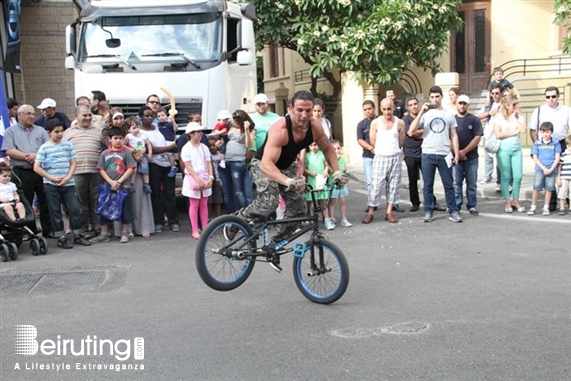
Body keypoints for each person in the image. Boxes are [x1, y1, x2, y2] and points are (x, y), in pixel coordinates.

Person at [232, 90, 343, 272]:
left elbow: (328, 149)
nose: (304, 115)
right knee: (270, 202)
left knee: (299, 211)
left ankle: (273, 245)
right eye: (300, 110)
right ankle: (237, 219)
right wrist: (288, 181)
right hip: (264, 164)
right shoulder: (280, 128)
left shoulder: (315, 127)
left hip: (287, 166)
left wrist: (337, 172)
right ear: (290, 108)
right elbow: (267, 164)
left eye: (308, 110)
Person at [33, 119, 91, 249]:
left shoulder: (68, 145)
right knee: (55, 211)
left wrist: (68, 177)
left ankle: (77, 234)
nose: (60, 134)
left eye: (61, 131)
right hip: (51, 185)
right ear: (49, 133)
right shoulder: (44, 148)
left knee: (74, 208)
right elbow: (37, 167)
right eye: (56, 132)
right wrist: (51, 178)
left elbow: (73, 163)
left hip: (68, 183)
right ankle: (61, 236)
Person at [409, 86, 461, 223]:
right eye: (432, 97)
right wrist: (421, 112)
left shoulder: (449, 114)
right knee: (427, 185)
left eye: (437, 96)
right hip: (428, 153)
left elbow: (454, 135)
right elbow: (411, 130)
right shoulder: (426, 115)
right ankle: (428, 211)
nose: (434, 99)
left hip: (444, 153)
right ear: (429, 98)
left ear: (441, 97)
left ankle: (453, 211)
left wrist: (456, 153)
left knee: (449, 184)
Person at [1, 104, 52, 235]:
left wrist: (36, 155)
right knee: (26, 202)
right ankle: (30, 231)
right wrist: (27, 156)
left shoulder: (40, 130)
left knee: (45, 201)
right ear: (19, 115)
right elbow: (9, 150)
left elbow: (48, 147)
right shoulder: (10, 132)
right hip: (22, 172)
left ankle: (48, 230)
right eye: (28, 114)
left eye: (33, 114)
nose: (32, 116)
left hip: (41, 171)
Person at [63, 105, 107, 238]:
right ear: (76, 116)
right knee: (80, 203)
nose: (88, 118)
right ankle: (82, 230)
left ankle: (98, 229)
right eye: (85, 115)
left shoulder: (99, 132)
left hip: (96, 172)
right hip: (77, 173)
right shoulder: (67, 133)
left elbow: (106, 149)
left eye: (90, 115)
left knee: (97, 201)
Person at [362, 98, 405, 224]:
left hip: (395, 157)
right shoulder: (375, 123)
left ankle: (389, 212)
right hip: (380, 157)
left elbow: (401, 141)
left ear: (393, 108)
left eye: (389, 109)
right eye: (385, 109)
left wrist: (394, 150)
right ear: (381, 109)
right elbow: (372, 141)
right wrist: (381, 150)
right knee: (375, 186)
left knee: (393, 185)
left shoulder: (400, 123)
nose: (387, 112)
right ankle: (370, 212)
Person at [528, 85, 570, 211]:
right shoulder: (539, 110)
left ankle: (567, 200)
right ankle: (551, 203)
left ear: (558, 96)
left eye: (553, 96)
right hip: (544, 145)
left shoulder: (566, 110)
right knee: (548, 172)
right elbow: (532, 129)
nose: (551, 99)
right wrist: (538, 144)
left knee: (564, 173)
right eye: (548, 97)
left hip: (561, 142)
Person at [91, 127, 137, 243]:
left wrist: (119, 181)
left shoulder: (126, 152)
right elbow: (101, 169)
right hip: (108, 186)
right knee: (104, 209)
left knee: (125, 210)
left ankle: (125, 232)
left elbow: (131, 168)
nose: (118, 141)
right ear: (110, 139)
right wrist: (111, 182)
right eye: (115, 138)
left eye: (120, 138)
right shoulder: (105, 153)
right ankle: (104, 233)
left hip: (124, 186)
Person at [139, 106, 180, 233]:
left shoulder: (157, 127)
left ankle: (173, 221)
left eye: (152, 115)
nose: (150, 118)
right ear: (141, 117)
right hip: (154, 165)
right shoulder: (140, 133)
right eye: (147, 115)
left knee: (170, 194)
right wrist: (169, 148)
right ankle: (159, 221)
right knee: (155, 194)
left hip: (167, 164)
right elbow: (150, 149)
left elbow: (170, 134)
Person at [403, 97, 445, 212]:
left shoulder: (426, 116)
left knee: (428, 179)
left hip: (424, 152)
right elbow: (411, 133)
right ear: (408, 107)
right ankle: (415, 203)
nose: (414, 106)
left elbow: (428, 129)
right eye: (411, 105)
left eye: (415, 104)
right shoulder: (406, 120)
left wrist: (420, 131)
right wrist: (426, 131)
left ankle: (433, 202)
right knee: (413, 180)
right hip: (411, 154)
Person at [493, 89, 526, 213]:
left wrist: (514, 117)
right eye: (514, 104)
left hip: (516, 149)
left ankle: (515, 200)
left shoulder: (520, 117)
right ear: (507, 105)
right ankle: (507, 201)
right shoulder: (499, 117)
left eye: (517, 104)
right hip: (503, 149)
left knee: (517, 176)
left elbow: (522, 130)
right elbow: (498, 134)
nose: (516, 106)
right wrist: (513, 132)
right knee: (505, 176)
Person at [180, 123, 214, 240]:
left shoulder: (204, 147)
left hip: (204, 176)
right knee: (194, 204)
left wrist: (211, 177)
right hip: (193, 178)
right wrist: (197, 179)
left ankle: (205, 228)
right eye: (198, 132)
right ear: (191, 134)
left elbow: (209, 162)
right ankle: (194, 229)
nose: (200, 134)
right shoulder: (186, 148)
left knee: (204, 203)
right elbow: (188, 166)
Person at [452, 95, 483, 215]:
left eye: (464, 103)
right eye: (460, 103)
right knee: (456, 184)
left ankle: (472, 205)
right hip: (455, 158)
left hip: (471, 158)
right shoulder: (451, 119)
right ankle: (456, 206)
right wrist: (457, 153)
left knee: (471, 184)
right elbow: (448, 138)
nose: (462, 105)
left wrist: (464, 151)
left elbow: (477, 137)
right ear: (456, 104)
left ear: (468, 105)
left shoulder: (474, 120)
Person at [528, 122, 561, 216]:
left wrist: (551, 169)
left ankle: (546, 207)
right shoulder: (537, 143)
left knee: (549, 188)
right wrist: (543, 168)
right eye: (543, 132)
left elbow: (557, 157)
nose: (545, 134)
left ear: (551, 132)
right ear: (540, 132)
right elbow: (535, 157)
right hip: (540, 169)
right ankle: (533, 206)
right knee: (536, 187)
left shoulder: (555, 143)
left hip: (551, 169)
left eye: (548, 132)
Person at [478, 83, 503, 188]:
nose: (495, 95)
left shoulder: (505, 104)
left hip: (500, 135)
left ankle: (500, 182)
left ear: (501, 93)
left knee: (500, 160)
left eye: (497, 93)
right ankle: (487, 176)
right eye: (493, 93)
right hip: (488, 134)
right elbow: (479, 116)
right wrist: (489, 113)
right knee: (488, 158)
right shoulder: (488, 105)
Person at [304, 141, 331, 227]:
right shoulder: (307, 155)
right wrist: (310, 172)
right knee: (311, 201)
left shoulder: (322, 154)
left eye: (315, 145)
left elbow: (326, 165)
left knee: (323, 200)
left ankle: (327, 219)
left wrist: (325, 170)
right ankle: (312, 218)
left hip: (321, 180)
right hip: (312, 180)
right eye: (311, 145)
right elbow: (304, 168)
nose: (313, 147)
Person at [124, 117, 153, 194]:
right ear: (128, 129)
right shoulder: (129, 136)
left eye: (138, 127)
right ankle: (132, 183)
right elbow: (123, 145)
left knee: (145, 168)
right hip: (133, 155)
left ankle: (146, 184)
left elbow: (148, 144)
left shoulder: (143, 135)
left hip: (142, 155)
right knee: (134, 168)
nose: (136, 129)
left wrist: (150, 153)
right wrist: (130, 149)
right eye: (134, 128)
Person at [327, 140, 352, 227]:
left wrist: (345, 170)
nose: (337, 151)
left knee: (342, 201)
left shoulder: (343, 159)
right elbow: (330, 171)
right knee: (332, 202)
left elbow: (344, 171)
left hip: (342, 184)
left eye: (338, 148)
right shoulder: (330, 160)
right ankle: (331, 218)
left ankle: (344, 218)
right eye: (334, 149)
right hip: (333, 184)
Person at [156, 107, 178, 177]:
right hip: (163, 142)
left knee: (169, 154)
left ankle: (173, 167)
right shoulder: (158, 125)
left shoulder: (169, 123)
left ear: (166, 115)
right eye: (158, 116)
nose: (161, 117)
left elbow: (176, 129)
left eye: (162, 115)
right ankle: (173, 162)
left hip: (170, 141)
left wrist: (173, 121)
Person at [207, 136, 223, 219]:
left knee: (218, 200)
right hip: (209, 179)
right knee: (209, 201)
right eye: (209, 146)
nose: (212, 147)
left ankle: (218, 218)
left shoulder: (221, 155)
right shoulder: (207, 155)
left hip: (218, 180)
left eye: (214, 145)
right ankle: (208, 218)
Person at [557, 136, 571, 214]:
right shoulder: (564, 154)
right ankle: (562, 207)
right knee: (563, 192)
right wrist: (559, 177)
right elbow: (560, 166)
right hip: (564, 177)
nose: (570, 148)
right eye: (568, 146)